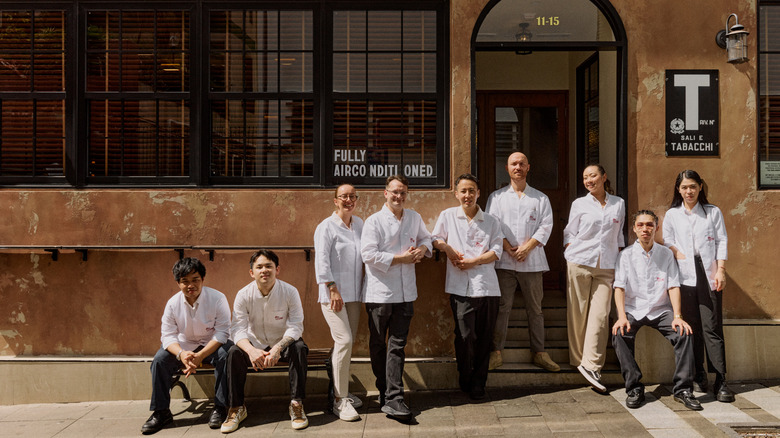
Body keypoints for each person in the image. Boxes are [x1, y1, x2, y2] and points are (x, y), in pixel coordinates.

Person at [612, 210, 701, 411]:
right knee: (619, 333)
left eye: (650, 225)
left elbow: (673, 285)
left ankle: (683, 389)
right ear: (634, 229)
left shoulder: (666, 254)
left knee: (683, 333)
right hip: (634, 309)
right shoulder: (625, 255)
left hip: (661, 309)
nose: (645, 229)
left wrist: (678, 316)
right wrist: (621, 317)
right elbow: (619, 287)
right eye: (641, 225)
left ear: (656, 228)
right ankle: (634, 387)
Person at [361, 175, 432, 421]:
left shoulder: (414, 218)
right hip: (380, 292)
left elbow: (427, 239)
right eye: (394, 192)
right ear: (385, 193)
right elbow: (368, 254)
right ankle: (385, 391)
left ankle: (394, 398)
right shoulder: (374, 221)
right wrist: (401, 259)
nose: (398, 197)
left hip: (406, 293)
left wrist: (423, 249)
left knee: (397, 346)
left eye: (402, 193)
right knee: (379, 344)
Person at [485, 151, 560, 372]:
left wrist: (527, 247)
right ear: (507, 168)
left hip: (532, 260)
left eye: (521, 164)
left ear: (528, 167)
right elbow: (492, 225)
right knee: (502, 307)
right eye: (513, 164)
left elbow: (546, 226)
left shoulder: (540, 198)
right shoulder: (496, 198)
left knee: (535, 309)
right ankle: (496, 352)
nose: (517, 167)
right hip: (505, 262)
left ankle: (539, 352)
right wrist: (508, 248)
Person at [663, 170, 733, 402]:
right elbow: (668, 240)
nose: (689, 191)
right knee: (691, 327)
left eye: (693, 186)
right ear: (678, 190)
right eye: (684, 187)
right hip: (684, 274)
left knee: (711, 326)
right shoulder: (673, 214)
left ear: (700, 187)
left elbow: (722, 240)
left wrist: (721, 270)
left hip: (709, 271)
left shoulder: (712, 212)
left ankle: (721, 380)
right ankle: (698, 373)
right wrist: (678, 253)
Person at [432, 173, 503, 400]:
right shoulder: (448, 216)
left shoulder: (491, 221)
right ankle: (465, 375)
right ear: (456, 194)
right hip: (460, 288)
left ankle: (479, 383)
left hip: (488, 287)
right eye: (463, 191)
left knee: (484, 337)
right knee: (464, 335)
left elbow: (496, 251)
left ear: (478, 193)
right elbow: (436, 239)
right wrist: (447, 248)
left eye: (472, 190)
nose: (467, 195)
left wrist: (474, 261)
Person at [221, 250, 309, 433]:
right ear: (251, 272)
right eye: (259, 267)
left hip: (281, 343)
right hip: (255, 344)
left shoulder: (290, 291)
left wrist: (278, 347)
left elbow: (296, 326)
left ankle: (296, 404)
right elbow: (237, 328)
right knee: (233, 353)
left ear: (277, 269)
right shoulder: (243, 294)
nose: (264, 270)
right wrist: (251, 351)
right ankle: (237, 407)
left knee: (299, 347)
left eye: (269, 266)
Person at [141, 257, 232, 435]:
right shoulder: (172, 304)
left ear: (202, 280)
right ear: (178, 283)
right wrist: (182, 354)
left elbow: (223, 332)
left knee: (226, 355)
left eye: (195, 280)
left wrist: (201, 355)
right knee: (160, 360)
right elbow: (167, 336)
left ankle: (221, 407)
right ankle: (161, 412)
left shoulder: (217, 298)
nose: (191, 285)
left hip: (211, 343)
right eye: (185, 281)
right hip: (184, 346)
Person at [563, 164, 625, 392]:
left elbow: (619, 236)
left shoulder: (618, 203)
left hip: (607, 265)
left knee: (600, 315)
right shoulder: (579, 204)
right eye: (585, 177)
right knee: (578, 313)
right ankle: (578, 361)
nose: (589, 180)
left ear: (604, 177)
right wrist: (569, 248)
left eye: (593, 175)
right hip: (580, 261)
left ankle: (592, 364)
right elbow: (570, 231)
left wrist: (620, 263)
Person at [314, 183, 365, 421]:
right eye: (343, 196)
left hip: (354, 295)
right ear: (335, 200)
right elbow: (322, 261)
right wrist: (331, 288)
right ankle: (339, 400)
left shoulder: (360, 225)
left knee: (345, 344)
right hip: (333, 295)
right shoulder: (326, 227)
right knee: (343, 340)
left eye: (352, 196)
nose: (348, 200)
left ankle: (340, 391)